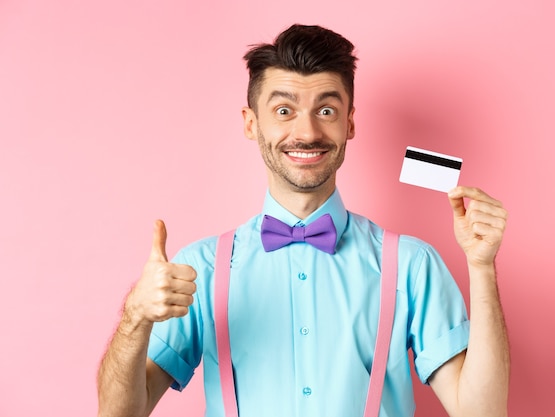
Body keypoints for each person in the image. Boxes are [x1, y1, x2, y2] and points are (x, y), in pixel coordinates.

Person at [97, 24, 509, 417]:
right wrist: (135, 317)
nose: (307, 131)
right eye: (284, 110)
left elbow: (481, 412)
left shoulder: (413, 265)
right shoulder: (198, 269)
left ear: (349, 123)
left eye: (326, 109)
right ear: (251, 122)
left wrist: (482, 268)